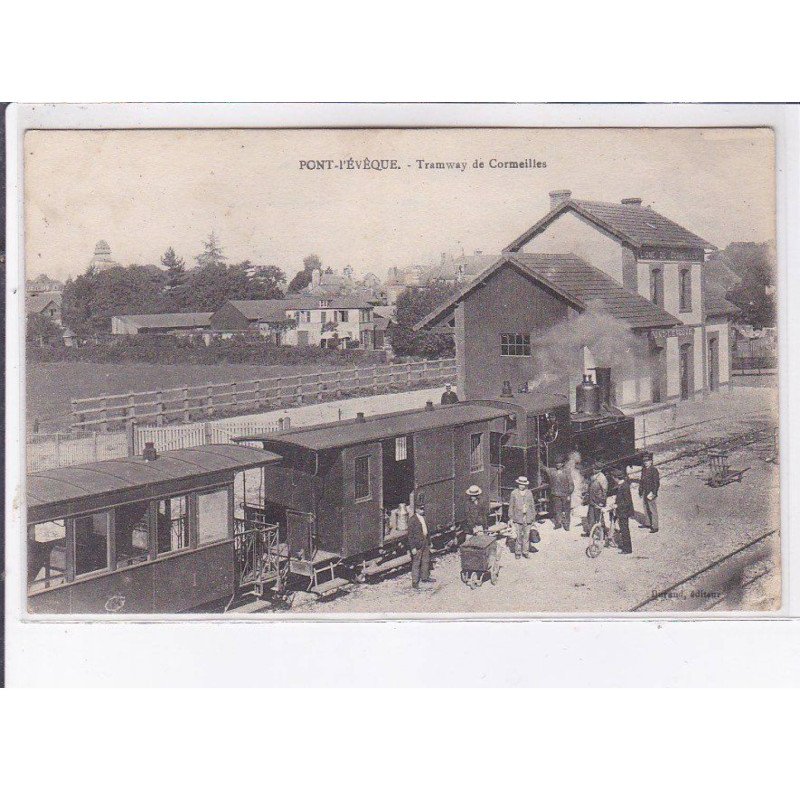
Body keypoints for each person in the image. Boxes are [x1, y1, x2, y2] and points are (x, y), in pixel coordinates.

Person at [541, 457, 575, 530]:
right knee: (557, 510)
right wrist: (538, 460)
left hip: (565, 495)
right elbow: (544, 468)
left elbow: (571, 484)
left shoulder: (567, 472)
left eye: (559, 463)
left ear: (562, 464)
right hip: (556, 495)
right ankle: (558, 523)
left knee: (566, 510)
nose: (558, 465)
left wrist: (569, 494)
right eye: (556, 463)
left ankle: (567, 524)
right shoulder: (552, 471)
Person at [408, 504, 434, 588]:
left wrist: (429, 542)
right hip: (417, 544)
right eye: (421, 509)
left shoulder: (423, 517)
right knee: (416, 563)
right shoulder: (412, 520)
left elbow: (427, 530)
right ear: (416, 510)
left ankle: (425, 577)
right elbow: (410, 536)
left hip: (425, 542)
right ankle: (415, 582)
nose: (423, 510)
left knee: (426, 560)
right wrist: (413, 548)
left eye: (423, 509)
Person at [509, 476, 536, 559]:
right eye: (520, 484)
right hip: (517, 518)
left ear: (526, 485)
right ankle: (517, 552)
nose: (521, 486)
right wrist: (511, 518)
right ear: (518, 484)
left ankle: (525, 552)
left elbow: (532, 506)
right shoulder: (514, 493)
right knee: (518, 536)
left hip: (527, 517)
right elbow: (511, 506)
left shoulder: (529, 493)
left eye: (523, 484)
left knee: (526, 536)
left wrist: (533, 518)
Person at [613, 468, 634, 554]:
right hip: (622, 511)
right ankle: (625, 546)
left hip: (624, 512)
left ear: (617, 478)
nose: (613, 479)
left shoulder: (624, 487)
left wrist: (617, 505)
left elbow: (627, 502)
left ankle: (627, 549)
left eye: (614, 477)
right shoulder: (622, 485)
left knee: (624, 530)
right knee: (623, 529)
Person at [638, 453, 660, 533]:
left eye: (647, 461)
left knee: (652, 509)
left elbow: (656, 483)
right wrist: (640, 491)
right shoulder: (644, 469)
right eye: (644, 461)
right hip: (645, 491)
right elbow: (641, 481)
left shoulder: (654, 470)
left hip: (651, 492)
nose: (646, 462)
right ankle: (647, 523)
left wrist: (653, 493)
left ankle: (655, 526)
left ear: (651, 461)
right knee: (646, 507)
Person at [586, 466, 608, 537]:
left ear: (600, 470)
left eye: (596, 469)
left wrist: (602, 502)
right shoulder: (593, 476)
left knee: (599, 517)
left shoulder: (602, 478)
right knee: (590, 517)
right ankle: (590, 533)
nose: (594, 470)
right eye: (593, 468)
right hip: (591, 500)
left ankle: (603, 533)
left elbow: (604, 491)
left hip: (598, 501)